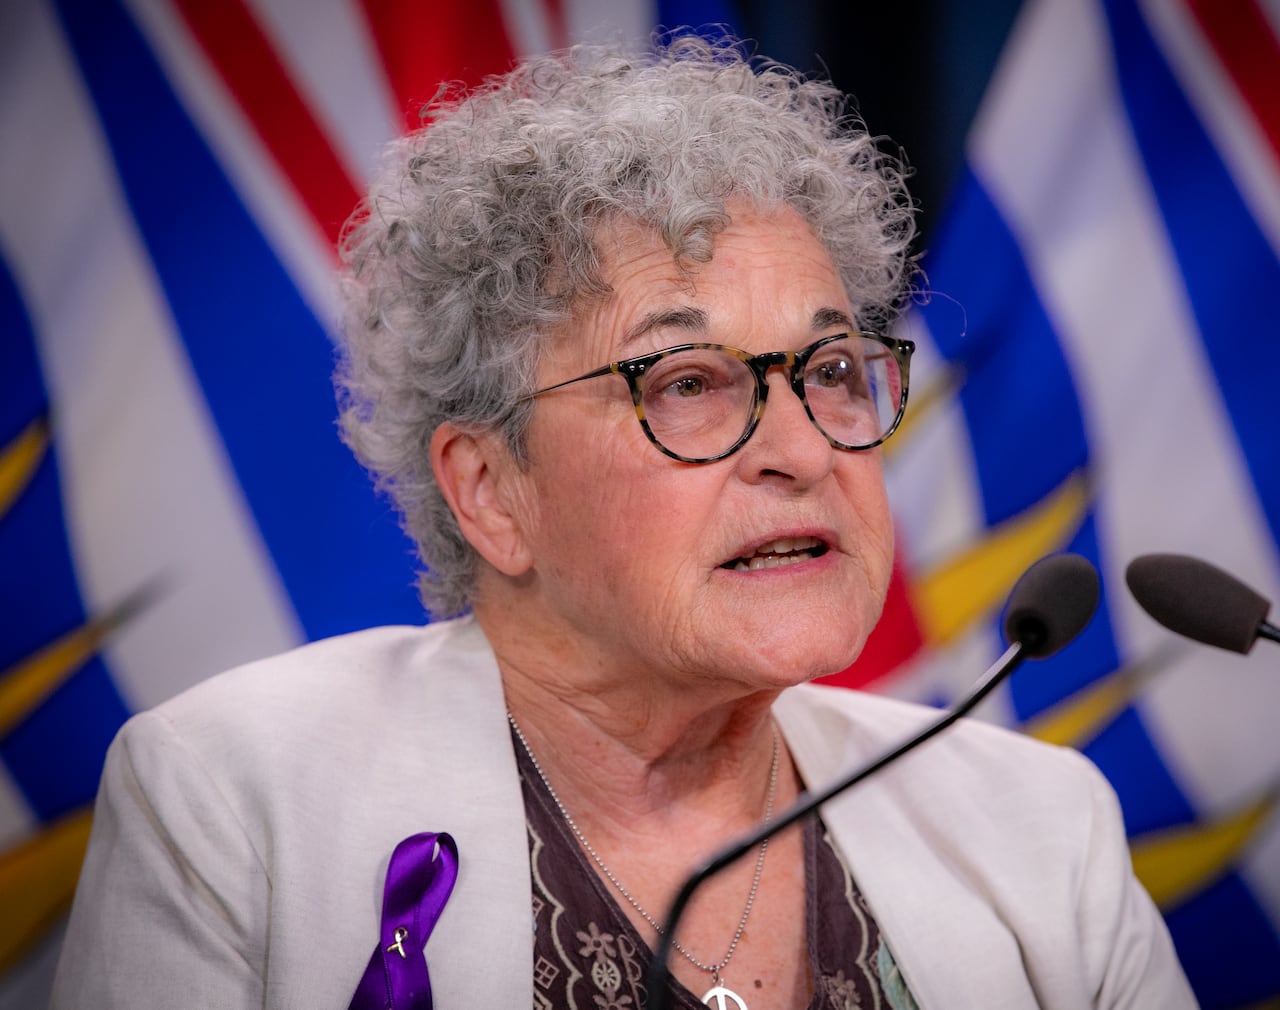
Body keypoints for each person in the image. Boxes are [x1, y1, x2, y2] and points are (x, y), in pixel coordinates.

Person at [51, 36, 1195, 1010]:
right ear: (490, 489)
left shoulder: (1042, 831)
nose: (802, 450)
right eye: (687, 382)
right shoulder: (236, 800)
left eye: (831, 370)